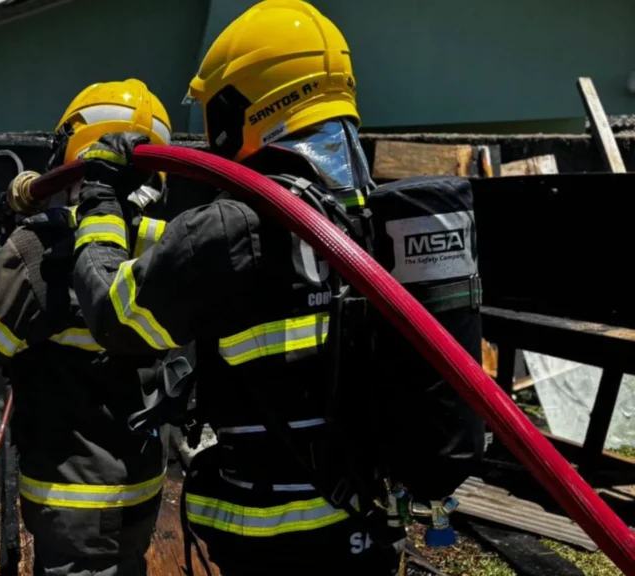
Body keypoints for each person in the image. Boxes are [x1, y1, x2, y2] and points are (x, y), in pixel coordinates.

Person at [69, 2, 403, 574]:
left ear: (236, 106)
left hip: (273, 539)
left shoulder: (231, 227)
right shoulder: (370, 216)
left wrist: (99, 201)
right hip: (364, 525)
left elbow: (114, 316)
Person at [0, 79, 173, 576]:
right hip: (142, 489)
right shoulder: (165, 242)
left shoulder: (42, 248)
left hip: (71, 504)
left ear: (71, 152)